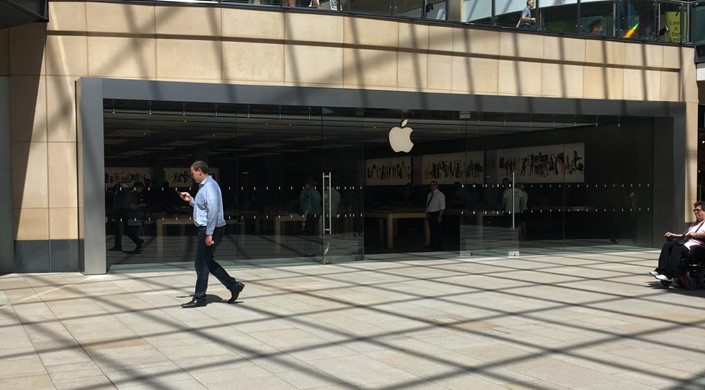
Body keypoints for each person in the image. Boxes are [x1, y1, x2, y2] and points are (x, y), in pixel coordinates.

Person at [178, 161, 245, 308]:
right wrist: (191, 201)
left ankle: (200, 297)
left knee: (201, 263)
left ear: (200, 171)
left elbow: (213, 210)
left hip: (210, 229)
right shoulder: (206, 187)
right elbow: (204, 208)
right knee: (206, 262)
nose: (192, 176)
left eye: (193, 173)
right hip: (210, 229)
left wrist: (209, 233)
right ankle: (233, 285)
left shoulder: (210, 187)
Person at [651, 201, 705, 283]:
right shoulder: (694, 224)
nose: (696, 212)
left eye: (698, 210)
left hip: (697, 246)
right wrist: (673, 234)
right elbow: (685, 235)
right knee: (668, 245)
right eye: (695, 210)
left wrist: (697, 234)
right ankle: (661, 270)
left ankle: (669, 275)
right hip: (687, 242)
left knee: (677, 248)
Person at [301, 177, 322, 256]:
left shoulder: (308, 193)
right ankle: (318, 247)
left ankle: (308, 251)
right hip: (317, 215)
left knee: (308, 234)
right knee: (312, 232)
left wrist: (304, 221)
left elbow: (307, 207)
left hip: (310, 215)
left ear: (307, 185)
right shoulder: (317, 193)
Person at [125, 182, 147, 252]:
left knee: (130, 231)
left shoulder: (136, 194)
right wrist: (142, 205)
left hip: (135, 215)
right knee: (130, 231)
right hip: (133, 215)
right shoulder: (133, 195)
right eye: (140, 189)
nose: (141, 190)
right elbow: (132, 206)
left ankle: (138, 242)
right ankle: (138, 242)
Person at [425, 180, 445, 250]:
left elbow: (442, 206)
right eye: (431, 185)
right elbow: (428, 205)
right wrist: (427, 213)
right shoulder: (429, 194)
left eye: (434, 185)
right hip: (430, 213)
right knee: (432, 230)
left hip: (437, 213)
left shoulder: (440, 194)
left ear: (437, 186)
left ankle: (440, 246)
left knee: (439, 230)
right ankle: (432, 244)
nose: (432, 186)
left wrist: (440, 215)